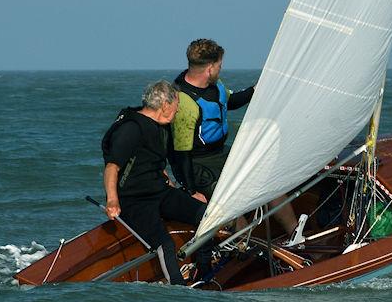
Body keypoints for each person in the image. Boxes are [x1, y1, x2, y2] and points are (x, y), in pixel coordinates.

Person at [171, 38, 298, 237]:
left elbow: (230, 101)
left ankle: (297, 236)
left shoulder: (216, 85)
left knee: (266, 181)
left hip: (220, 153)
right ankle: (246, 247)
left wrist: (256, 90)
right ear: (210, 68)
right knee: (226, 203)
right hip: (196, 163)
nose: (221, 69)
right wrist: (191, 190)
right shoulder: (183, 103)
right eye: (220, 66)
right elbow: (181, 154)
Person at [102, 79, 212, 285]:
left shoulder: (159, 126)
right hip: (135, 201)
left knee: (206, 215)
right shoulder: (131, 129)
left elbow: (151, 162)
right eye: (177, 104)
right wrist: (112, 201)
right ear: (165, 105)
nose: (178, 109)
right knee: (165, 244)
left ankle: (204, 274)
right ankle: (179, 290)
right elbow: (112, 168)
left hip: (159, 192)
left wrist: (183, 192)